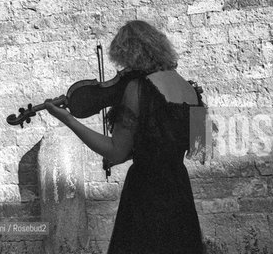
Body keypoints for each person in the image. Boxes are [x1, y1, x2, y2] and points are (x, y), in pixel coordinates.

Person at [44, 20, 205, 254]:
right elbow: (199, 149)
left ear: (131, 53)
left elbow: (116, 153)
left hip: (146, 191)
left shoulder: (138, 88)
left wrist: (68, 120)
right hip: (179, 189)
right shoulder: (191, 89)